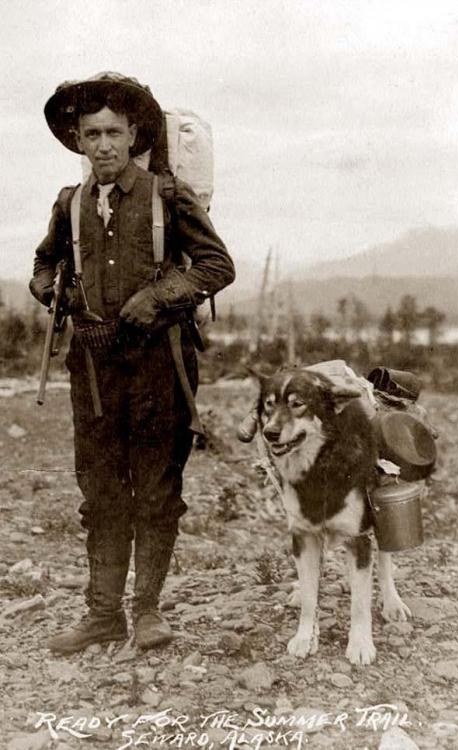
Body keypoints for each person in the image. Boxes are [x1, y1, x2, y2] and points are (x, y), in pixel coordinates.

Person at [30, 72, 235, 654]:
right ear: (77, 139)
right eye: (91, 133)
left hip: (158, 368)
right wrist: (55, 293)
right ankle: (101, 615)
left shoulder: (167, 196)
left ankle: (146, 613)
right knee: (99, 491)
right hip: (91, 369)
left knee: (155, 488)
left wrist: (162, 297)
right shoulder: (70, 204)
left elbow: (217, 266)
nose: (103, 146)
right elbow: (43, 266)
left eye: (114, 132)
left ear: (134, 134)